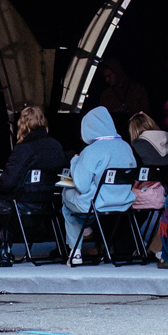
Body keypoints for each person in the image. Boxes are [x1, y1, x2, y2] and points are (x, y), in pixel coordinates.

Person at [61, 106, 135, 263]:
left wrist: (75, 161)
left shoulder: (91, 150)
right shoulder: (126, 147)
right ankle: (87, 228)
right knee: (83, 205)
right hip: (124, 202)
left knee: (67, 196)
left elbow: (81, 186)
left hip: (98, 203)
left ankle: (76, 250)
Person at [0, 103, 64, 263]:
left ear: (22, 125)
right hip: (49, 201)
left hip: (24, 201)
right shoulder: (56, 146)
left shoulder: (23, 149)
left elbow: (7, 184)